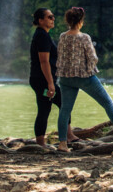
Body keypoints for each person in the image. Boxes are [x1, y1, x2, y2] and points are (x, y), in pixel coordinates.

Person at [56, 6, 113, 152]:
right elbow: (93, 58)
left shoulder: (62, 36)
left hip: (66, 78)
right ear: (81, 21)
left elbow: (60, 56)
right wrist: (90, 67)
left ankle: (62, 144)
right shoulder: (84, 37)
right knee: (107, 102)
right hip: (84, 77)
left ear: (68, 21)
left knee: (65, 110)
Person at [28, 8, 78, 146]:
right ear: (40, 20)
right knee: (57, 105)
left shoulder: (42, 34)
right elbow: (44, 61)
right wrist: (50, 83)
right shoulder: (42, 36)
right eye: (50, 17)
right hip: (43, 80)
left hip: (40, 79)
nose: (53, 19)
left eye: (53, 16)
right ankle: (53, 140)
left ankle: (64, 136)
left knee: (53, 106)